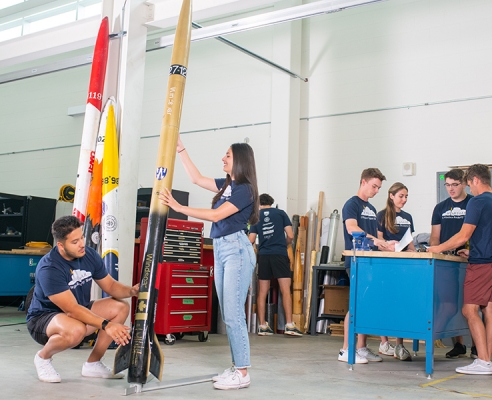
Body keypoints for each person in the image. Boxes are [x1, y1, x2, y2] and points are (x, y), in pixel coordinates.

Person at [160, 138, 259, 390]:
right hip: (222, 248)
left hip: (236, 248)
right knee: (227, 314)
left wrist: (180, 207)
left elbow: (216, 215)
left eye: (228, 155)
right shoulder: (228, 184)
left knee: (234, 314)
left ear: (240, 160)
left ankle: (243, 372)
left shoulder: (245, 189)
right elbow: (196, 178)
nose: (223, 159)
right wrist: (181, 150)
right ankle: (237, 366)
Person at [26, 215, 139, 383]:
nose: (81, 244)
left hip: (77, 312)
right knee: (76, 329)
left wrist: (132, 291)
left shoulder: (89, 255)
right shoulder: (50, 267)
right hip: (44, 319)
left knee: (120, 307)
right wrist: (107, 326)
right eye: (75, 242)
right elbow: (71, 309)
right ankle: (43, 358)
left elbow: (110, 286)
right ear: (61, 245)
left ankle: (93, 364)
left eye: (81, 238)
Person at [427, 164, 492, 375]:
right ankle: (486, 359)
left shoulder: (478, 201)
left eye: (468, 184)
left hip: (482, 264)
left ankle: (483, 362)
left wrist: (437, 248)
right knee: (488, 309)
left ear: (473, 180)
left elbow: (463, 236)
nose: (470, 189)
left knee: (468, 310)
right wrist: (474, 252)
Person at [337, 168, 395, 364]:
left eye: (379, 187)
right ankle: (345, 349)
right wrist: (375, 241)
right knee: (355, 304)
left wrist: (387, 244)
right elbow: (352, 228)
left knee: (366, 305)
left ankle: (360, 348)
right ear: (363, 182)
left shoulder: (370, 209)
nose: (376, 190)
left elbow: (375, 237)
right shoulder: (352, 204)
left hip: (371, 262)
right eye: (374, 186)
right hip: (356, 261)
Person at [430, 169, 477, 359]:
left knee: (472, 305)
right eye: (447, 185)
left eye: (455, 185)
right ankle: (459, 345)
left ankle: (476, 346)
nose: (451, 188)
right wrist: (437, 251)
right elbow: (435, 237)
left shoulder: (474, 203)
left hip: (470, 261)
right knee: (450, 303)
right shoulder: (440, 208)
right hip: (446, 262)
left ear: (464, 184)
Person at [248, 193, 302, 337]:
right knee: (285, 290)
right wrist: (284, 245)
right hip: (279, 254)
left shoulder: (255, 217)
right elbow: (290, 235)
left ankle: (262, 326)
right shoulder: (280, 213)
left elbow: (251, 239)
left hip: (264, 256)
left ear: (259, 203)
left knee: (262, 292)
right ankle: (289, 325)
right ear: (271, 202)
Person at [376, 182, 415, 361]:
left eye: (406, 196)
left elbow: (411, 243)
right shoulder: (382, 215)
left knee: (402, 301)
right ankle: (384, 342)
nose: (404, 200)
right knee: (385, 301)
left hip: (403, 265)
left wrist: (412, 252)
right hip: (387, 264)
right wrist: (390, 248)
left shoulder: (408, 216)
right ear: (391, 196)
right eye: (401, 196)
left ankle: (400, 344)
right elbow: (379, 241)